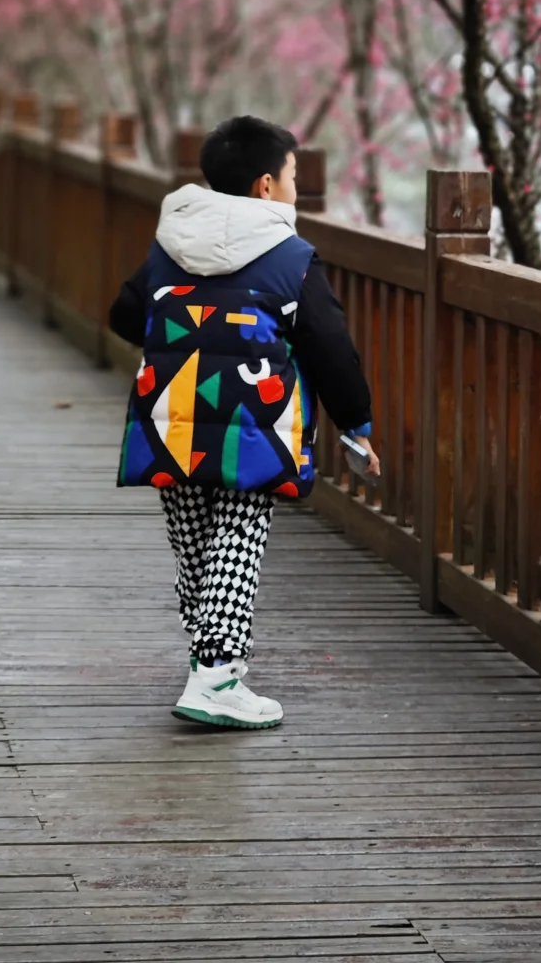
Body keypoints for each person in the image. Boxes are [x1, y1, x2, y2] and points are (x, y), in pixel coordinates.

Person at [108, 116, 379, 729]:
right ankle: (217, 678)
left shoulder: (170, 246)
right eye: (292, 176)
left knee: (196, 543)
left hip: (171, 417)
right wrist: (356, 422)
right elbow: (329, 346)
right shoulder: (290, 258)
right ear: (265, 185)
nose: (294, 188)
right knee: (239, 538)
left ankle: (206, 665)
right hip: (254, 422)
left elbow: (125, 314)